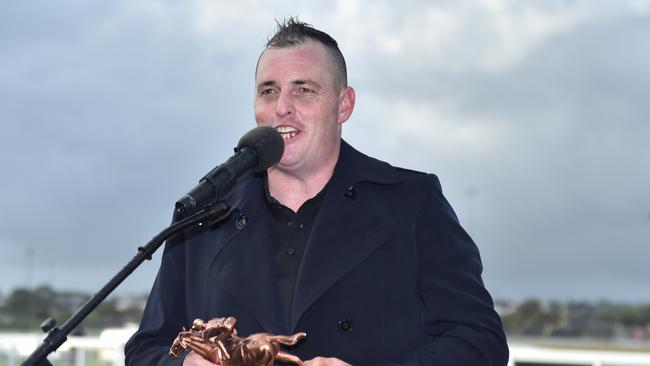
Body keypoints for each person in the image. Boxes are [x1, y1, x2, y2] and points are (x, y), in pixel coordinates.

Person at [125, 18, 508, 366]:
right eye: (268, 91)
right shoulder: (204, 215)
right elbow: (145, 350)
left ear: (344, 105)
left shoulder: (413, 201)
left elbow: (480, 342)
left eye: (304, 90)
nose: (282, 108)